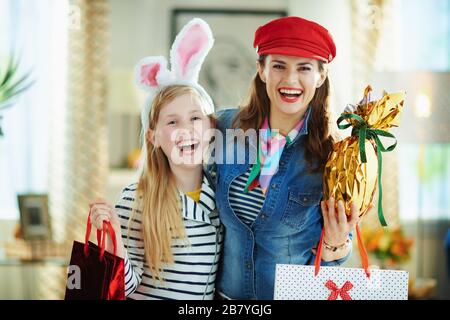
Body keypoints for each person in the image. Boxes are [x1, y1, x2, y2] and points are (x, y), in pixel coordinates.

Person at [212, 16, 367, 300]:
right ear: (262, 70)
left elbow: (334, 260)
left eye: (304, 68)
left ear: (320, 76)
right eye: (279, 66)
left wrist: (335, 243)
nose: (290, 80)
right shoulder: (224, 128)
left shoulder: (333, 156)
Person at [89, 18, 222, 300]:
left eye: (195, 118)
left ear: (210, 127)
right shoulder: (135, 200)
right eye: (172, 122)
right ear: (153, 137)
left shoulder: (221, 196)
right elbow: (122, 288)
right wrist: (115, 243)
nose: (186, 130)